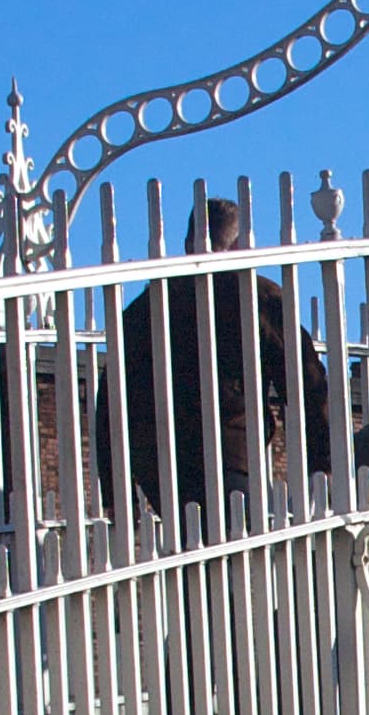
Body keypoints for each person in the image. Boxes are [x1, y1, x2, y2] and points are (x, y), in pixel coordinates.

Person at [108, 198, 330, 528]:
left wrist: (115, 490)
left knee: (193, 552)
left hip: (160, 463)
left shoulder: (145, 307)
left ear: (187, 243)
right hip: (231, 452)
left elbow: (112, 399)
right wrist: (323, 460)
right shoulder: (258, 296)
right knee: (243, 559)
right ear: (240, 244)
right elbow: (306, 384)